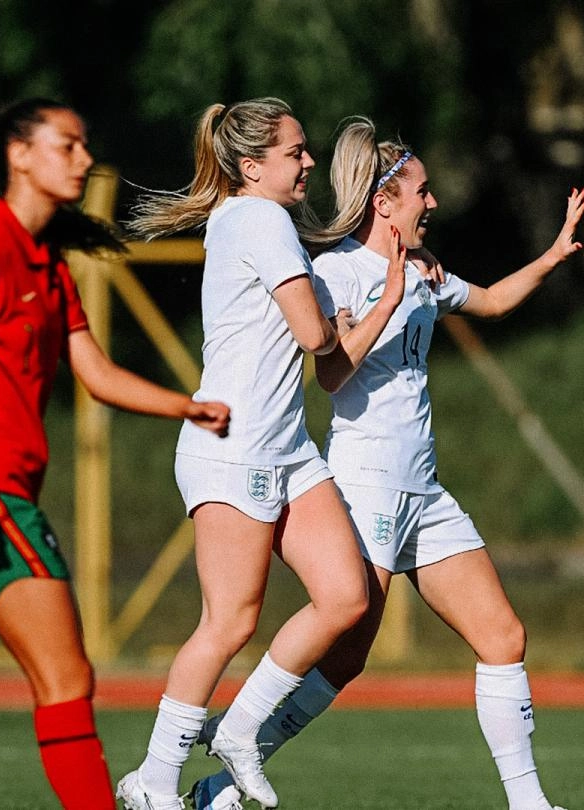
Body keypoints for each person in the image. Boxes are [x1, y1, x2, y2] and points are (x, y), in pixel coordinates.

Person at [186, 118, 584, 810]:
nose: (432, 203)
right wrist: (391, 296)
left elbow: (488, 301)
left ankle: (530, 804)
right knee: (343, 655)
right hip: (363, 481)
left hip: (423, 490)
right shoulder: (336, 270)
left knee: (503, 634)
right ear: (384, 202)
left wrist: (551, 257)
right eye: (421, 192)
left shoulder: (426, 270)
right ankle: (229, 757)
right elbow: (331, 374)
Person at [0, 99, 229, 810]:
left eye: (84, 144)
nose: (84, 159)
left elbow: (94, 372)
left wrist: (184, 404)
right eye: (68, 145)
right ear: (19, 155)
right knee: (67, 681)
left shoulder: (46, 263)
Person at [116, 98, 369, 810]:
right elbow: (315, 338)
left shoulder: (252, 217)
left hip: (285, 445)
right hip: (236, 446)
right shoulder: (259, 219)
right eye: (296, 152)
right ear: (253, 166)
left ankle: (240, 730)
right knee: (228, 622)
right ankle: (155, 782)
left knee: (346, 596)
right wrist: (339, 321)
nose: (308, 162)